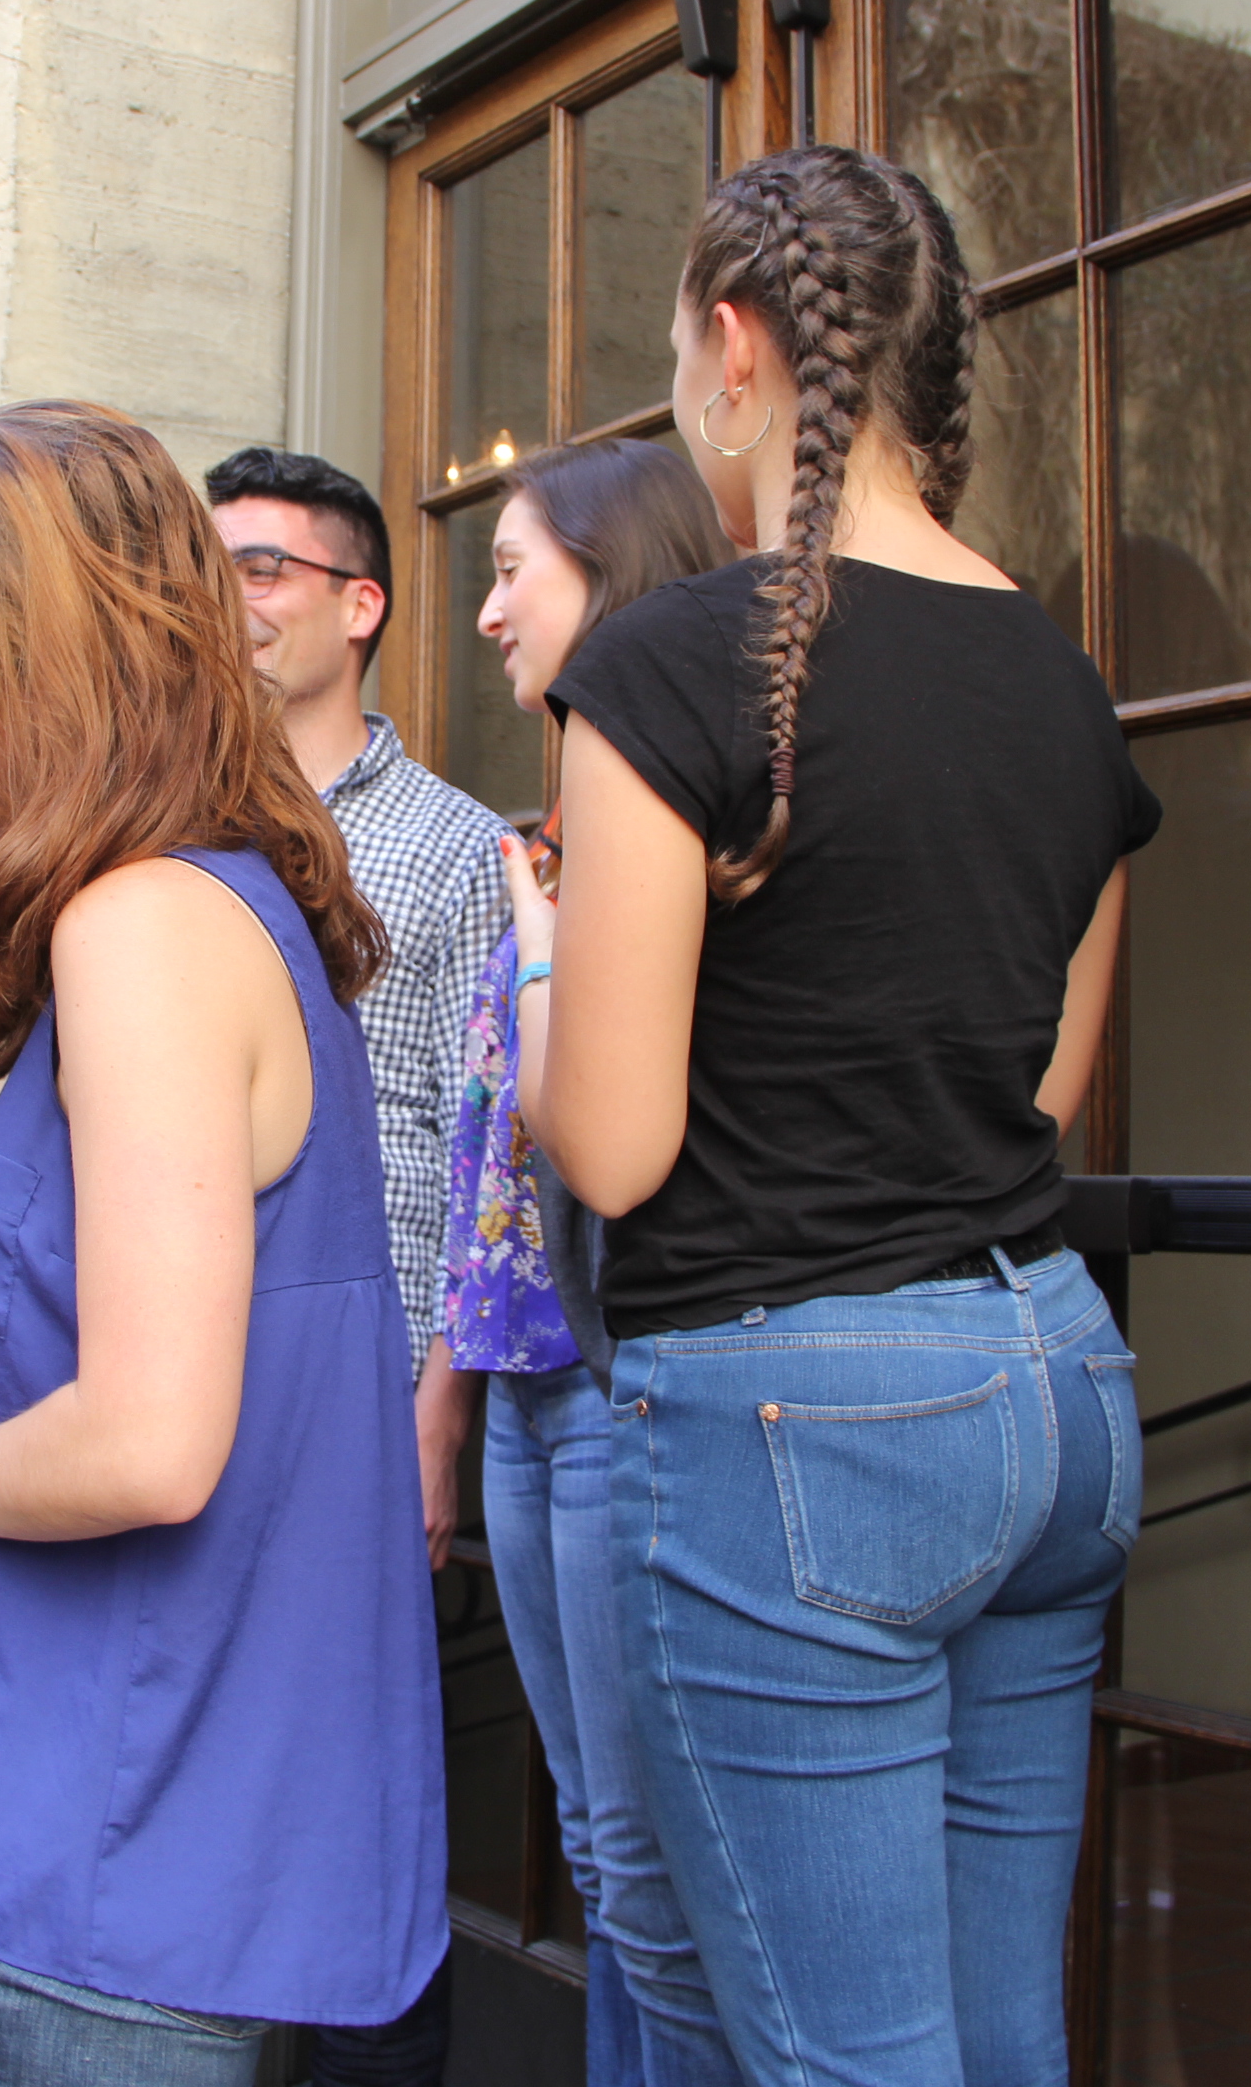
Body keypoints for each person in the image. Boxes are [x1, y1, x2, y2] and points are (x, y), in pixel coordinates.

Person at [511, 148, 1161, 2087]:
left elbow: (612, 1152)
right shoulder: (1065, 687)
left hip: (810, 1427)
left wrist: (565, 962)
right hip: (1050, 1382)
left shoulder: (665, 669)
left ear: (733, 346)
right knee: (992, 2043)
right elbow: (1037, 1093)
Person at [0, 400, 443, 2086]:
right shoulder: (218, 901)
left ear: (26, 659)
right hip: (173, 1808)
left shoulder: (142, 927)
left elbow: (147, 1440)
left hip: (92, 1834)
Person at [203, 443, 506, 2086]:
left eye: (264, 567)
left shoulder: (457, 849)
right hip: (185, 1376)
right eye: (216, 564)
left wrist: (439, 1411)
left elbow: (487, 1147)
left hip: (369, 1383)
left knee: (362, 1807)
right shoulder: (170, 826)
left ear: (359, 603)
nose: (230, 597)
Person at [452, 436, 735, 2087]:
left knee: (648, 1870)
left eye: (512, 571)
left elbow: (602, 1137)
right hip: (518, 1382)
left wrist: (553, 943)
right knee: (605, 1849)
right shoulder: (553, 827)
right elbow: (479, 1141)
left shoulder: (656, 829)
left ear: (612, 578)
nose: (487, 612)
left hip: (624, 1385)